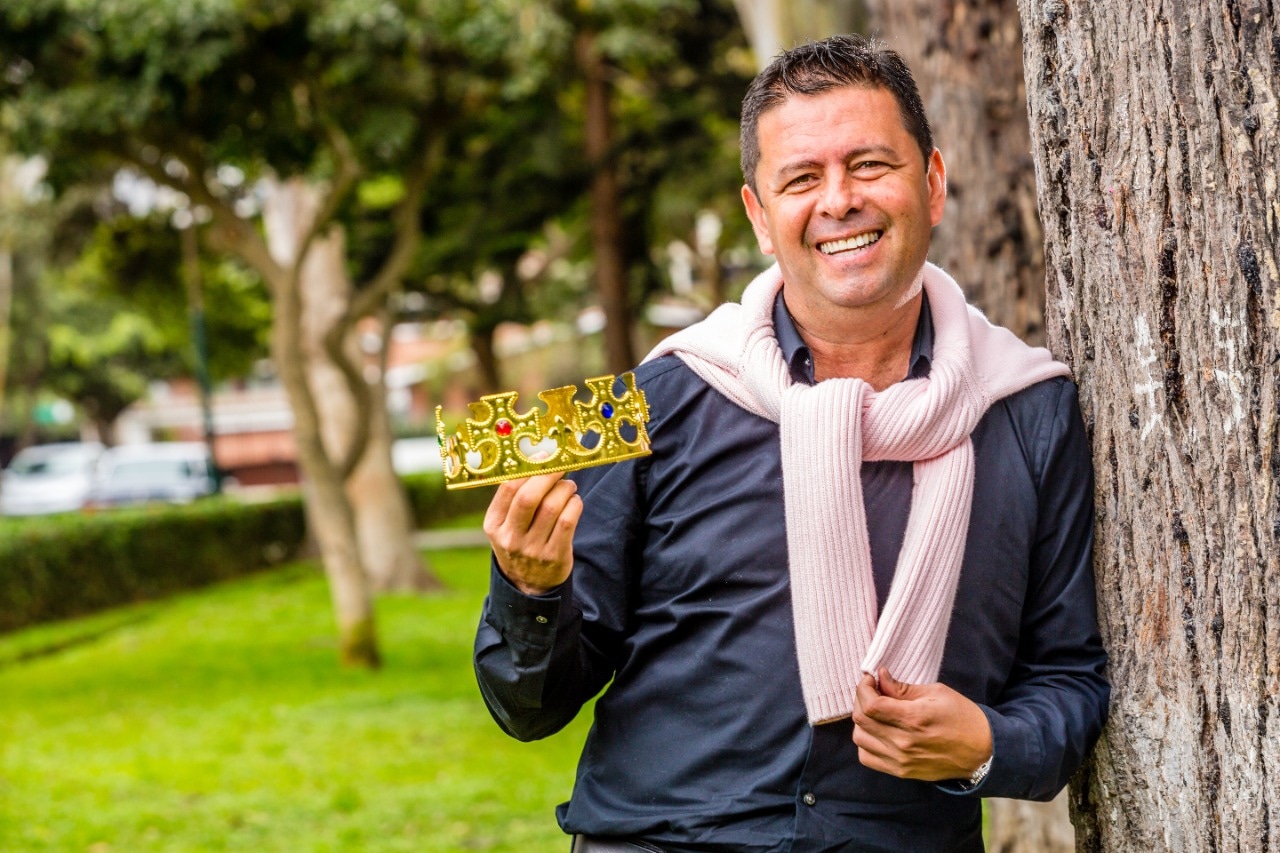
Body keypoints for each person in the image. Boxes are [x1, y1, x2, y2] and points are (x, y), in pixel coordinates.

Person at [474, 34, 1109, 853]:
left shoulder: (1029, 409)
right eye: (802, 178)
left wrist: (989, 745)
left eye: (870, 164)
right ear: (760, 217)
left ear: (934, 182)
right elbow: (529, 706)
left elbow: (1070, 675)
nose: (839, 200)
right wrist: (529, 589)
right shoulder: (652, 398)